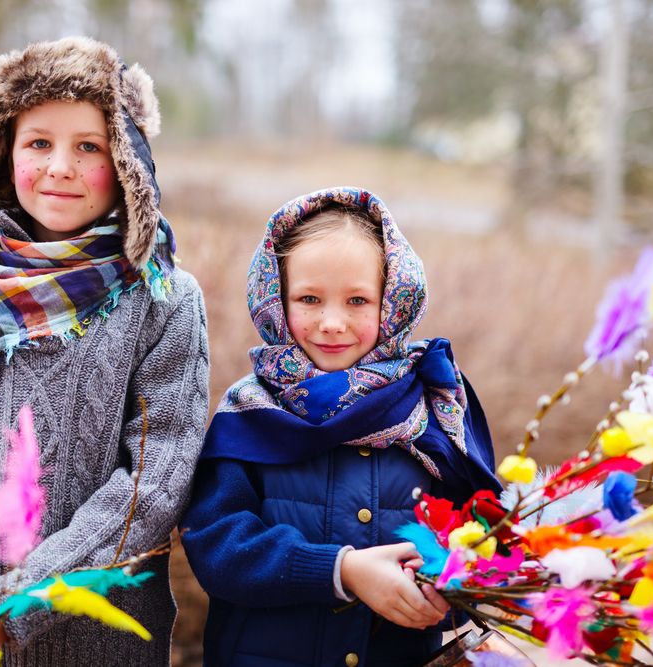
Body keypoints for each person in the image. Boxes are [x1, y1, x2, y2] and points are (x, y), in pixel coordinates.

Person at [0, 37, 209, 666]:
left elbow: (153, 483)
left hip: (100, 638)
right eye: (39, 143)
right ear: (2, 153)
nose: (60, 167)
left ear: (129, 164)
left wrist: (20, 597)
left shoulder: (162, 302)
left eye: (89, 147)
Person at [181, 187, 502, 666]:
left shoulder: (433, 411)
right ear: (276, 300)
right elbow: (217, 547)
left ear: (391, 304)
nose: (332, 322)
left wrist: (447, 588)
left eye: (357, 300)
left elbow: (477, 536)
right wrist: (341, 570)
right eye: (309, 298)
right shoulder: (250, 412)